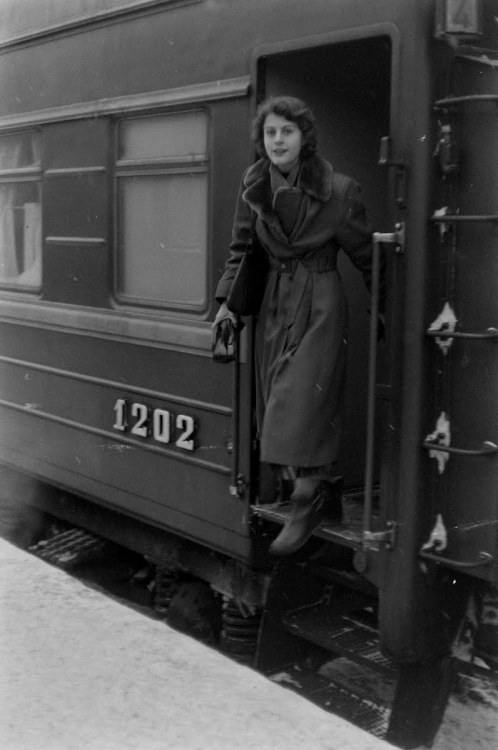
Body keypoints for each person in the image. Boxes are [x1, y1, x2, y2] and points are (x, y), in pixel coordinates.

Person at [214, 96, 378, 556]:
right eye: (271, 133)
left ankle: (310, 498)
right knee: (276, 402)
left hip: (321, 300)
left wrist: (385, 306)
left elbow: (368, 257)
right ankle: (316, 489)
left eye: (287, 131)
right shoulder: (254, 183)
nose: (278, 140)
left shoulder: (341, 190)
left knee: (300, 398)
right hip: (275, 303)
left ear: (304, 138)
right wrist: (227, 304)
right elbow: (242, 247)